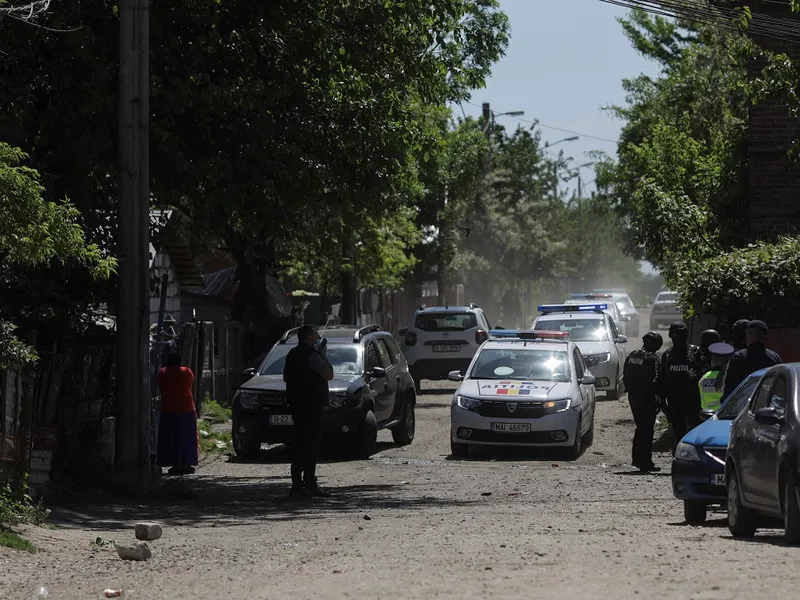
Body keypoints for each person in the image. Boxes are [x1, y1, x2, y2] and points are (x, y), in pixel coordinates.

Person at [283, 325, 334, 497]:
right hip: (312, 406)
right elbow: (328, 374)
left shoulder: (291, 354)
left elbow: (285, 377)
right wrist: (324, 354)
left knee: (298, 443)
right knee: (311, 444)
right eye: (316, 335)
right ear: (309, 337)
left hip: (297, 405)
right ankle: (310, 482)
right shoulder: (313, 355)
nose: (318, 337)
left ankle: (297, 484)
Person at [623, 331, 663, 472]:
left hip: (634, 397)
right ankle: (645, 462)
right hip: (647, 398)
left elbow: (625, 375)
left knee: (641, 427)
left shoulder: (632, 355)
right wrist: (658, 398)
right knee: (647, 429)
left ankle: (637, 459)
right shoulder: (653, 359)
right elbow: (657, 380)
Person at [659, 322, 702, 452]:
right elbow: (662, 377)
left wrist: (695, 376)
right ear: (671, 336)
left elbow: (704, 374)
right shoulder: (667, 355)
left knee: (694, 430)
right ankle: (679, 457)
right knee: (678, 431)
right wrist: (662, 401)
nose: (678, 338)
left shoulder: (695, 352)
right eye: (675, 334)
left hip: (693, 399)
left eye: (681, 334)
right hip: (674, 399)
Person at [156, 352, 199, 475]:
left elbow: (160, 385)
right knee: (185, 438)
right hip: (185, 409)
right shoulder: (186, 372)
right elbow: (191, 382)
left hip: (168, 409)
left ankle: (173, 463)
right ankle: (184, 464)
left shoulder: (162, 373)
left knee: (170, 437)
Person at [721, 320, 782, 401]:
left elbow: (730, 386)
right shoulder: (775, 357)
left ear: (749, 334)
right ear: (765, 337)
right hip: (767, 404)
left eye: (747, 333)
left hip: (742, 406)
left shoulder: (739, 356)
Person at [699, 342, 735, 413]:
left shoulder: (703, 378)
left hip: (707, 416)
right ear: (727, 363)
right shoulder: (728, 377)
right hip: (723, 415)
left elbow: (702, 400)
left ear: (712, 362)